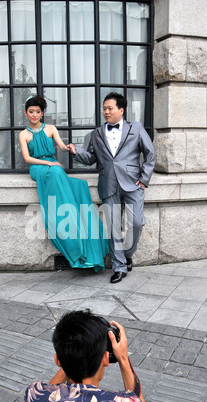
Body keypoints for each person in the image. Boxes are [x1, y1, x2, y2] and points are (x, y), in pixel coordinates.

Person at [20, 309, 150, 402]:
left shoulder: (33, 392)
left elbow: (47, 397)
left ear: (57, 360)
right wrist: (123, 358)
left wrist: (71, 356)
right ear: (106, 359)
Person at [69, 92, 155, 284]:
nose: (106, 112)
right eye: (104, 108)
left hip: (133, 183)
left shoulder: (137, 128)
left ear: (121, 110)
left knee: (137, 222)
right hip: (108, 183)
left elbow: (150, 155)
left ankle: (126, 254)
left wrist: (143, 179)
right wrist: (77, 151)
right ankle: (119, 267)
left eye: (110, 108)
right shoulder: (97, 133)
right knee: (114, 227)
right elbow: (91, 158)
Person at [19, 95, 109, 272]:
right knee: (57, 170)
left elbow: (61, 146)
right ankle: (72, 231)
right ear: (25, 113)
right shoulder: (23, 134)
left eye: (38, 111)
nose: (34, 115)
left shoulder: (51, 128)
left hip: (54, 169)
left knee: (79, 186)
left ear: (42, 113)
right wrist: (49, 163)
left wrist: (70, 148)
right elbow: (27, 158)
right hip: (39, 168)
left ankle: (81, 230)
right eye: (31, 112)